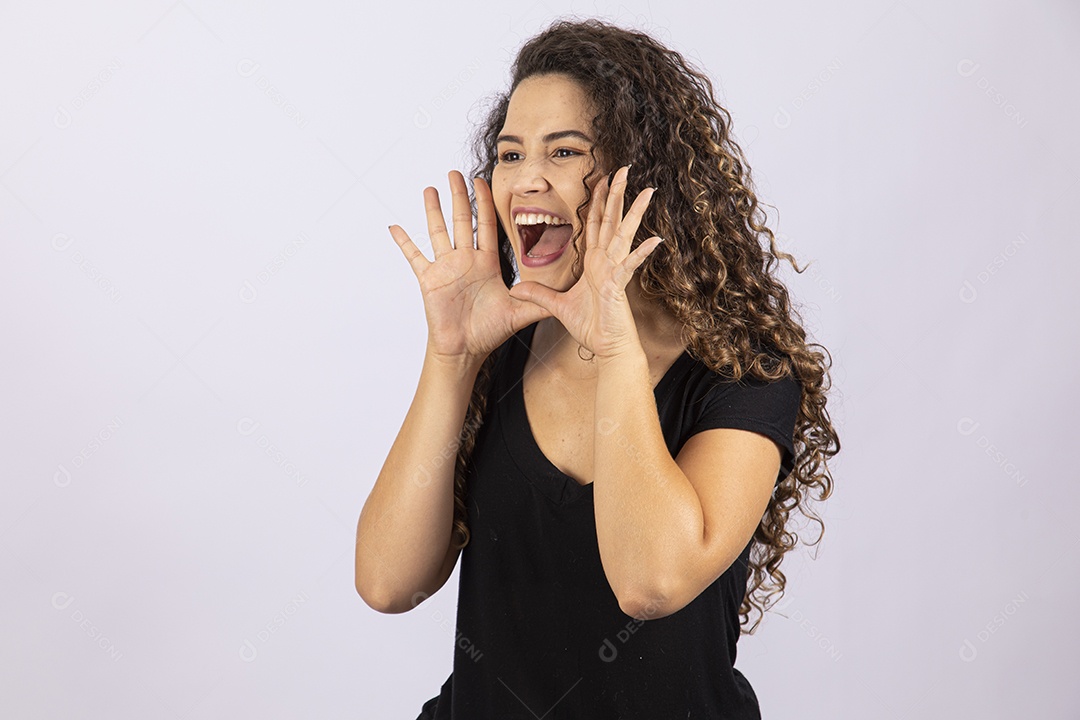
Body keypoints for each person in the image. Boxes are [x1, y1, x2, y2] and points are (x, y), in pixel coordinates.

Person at [356, 17, 840, 719]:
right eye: (511, 154)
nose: (527, 180)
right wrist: (453, 358)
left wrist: (616, 347)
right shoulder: (501, 351)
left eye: (564, 151)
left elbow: (651, 583)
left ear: (642, 175)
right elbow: (386, 582)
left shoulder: (745, 373)